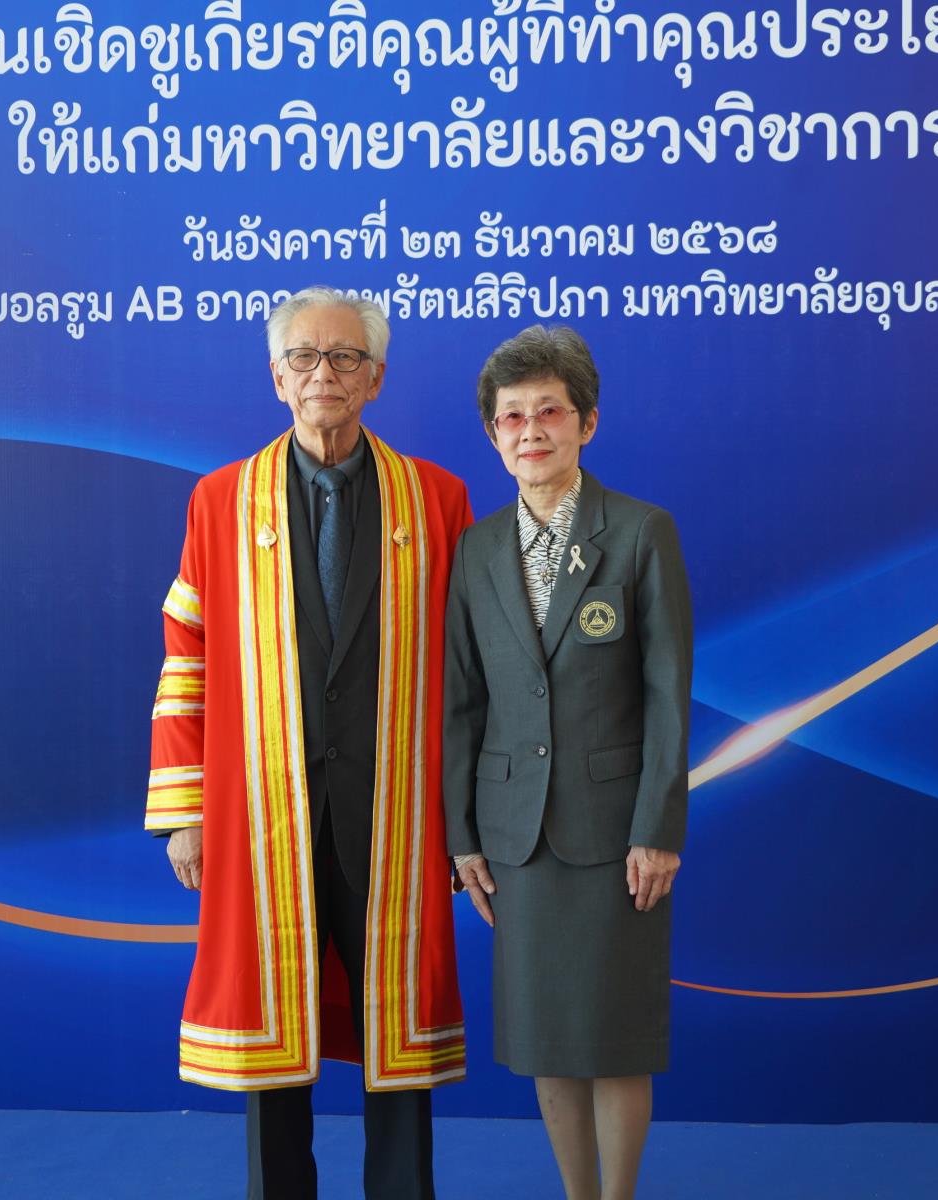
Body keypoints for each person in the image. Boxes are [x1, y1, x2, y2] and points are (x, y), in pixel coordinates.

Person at [147, 286, 471, 1200]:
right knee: (272, 1034)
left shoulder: (437, 498)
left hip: (397, 810)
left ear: (376, 378)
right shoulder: (221, 500)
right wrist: (185, 814)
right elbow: (186, 657)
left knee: (395, 1032)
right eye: (304, 357)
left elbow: (471, 672)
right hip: (263, 811)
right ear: (276, 376)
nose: (323, 373)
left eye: (344, 357)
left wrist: (467, 820)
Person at [442, 325, 692, 1200]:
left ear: (586, 422)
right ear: (493, 435)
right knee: (547, 1043)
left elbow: (667, 694)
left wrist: (658, 828)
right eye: (512, 417)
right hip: (517, 838)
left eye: (549, 411)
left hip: (616, 836)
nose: (531, 431)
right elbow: (462, 703)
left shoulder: (639, 533)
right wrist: (462, 838)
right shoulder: (475, 550)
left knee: (613, 1040)